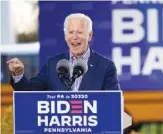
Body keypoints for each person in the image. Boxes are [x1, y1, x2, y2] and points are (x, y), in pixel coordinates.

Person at [7, 13, 121, 91]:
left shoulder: (106, 67)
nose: (75, 37)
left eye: (80, 32)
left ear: (90, 35)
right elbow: (29, 92)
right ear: (65, 36)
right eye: (71, 32)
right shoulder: (53, 64)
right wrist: (18, 74)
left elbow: (113, 103)